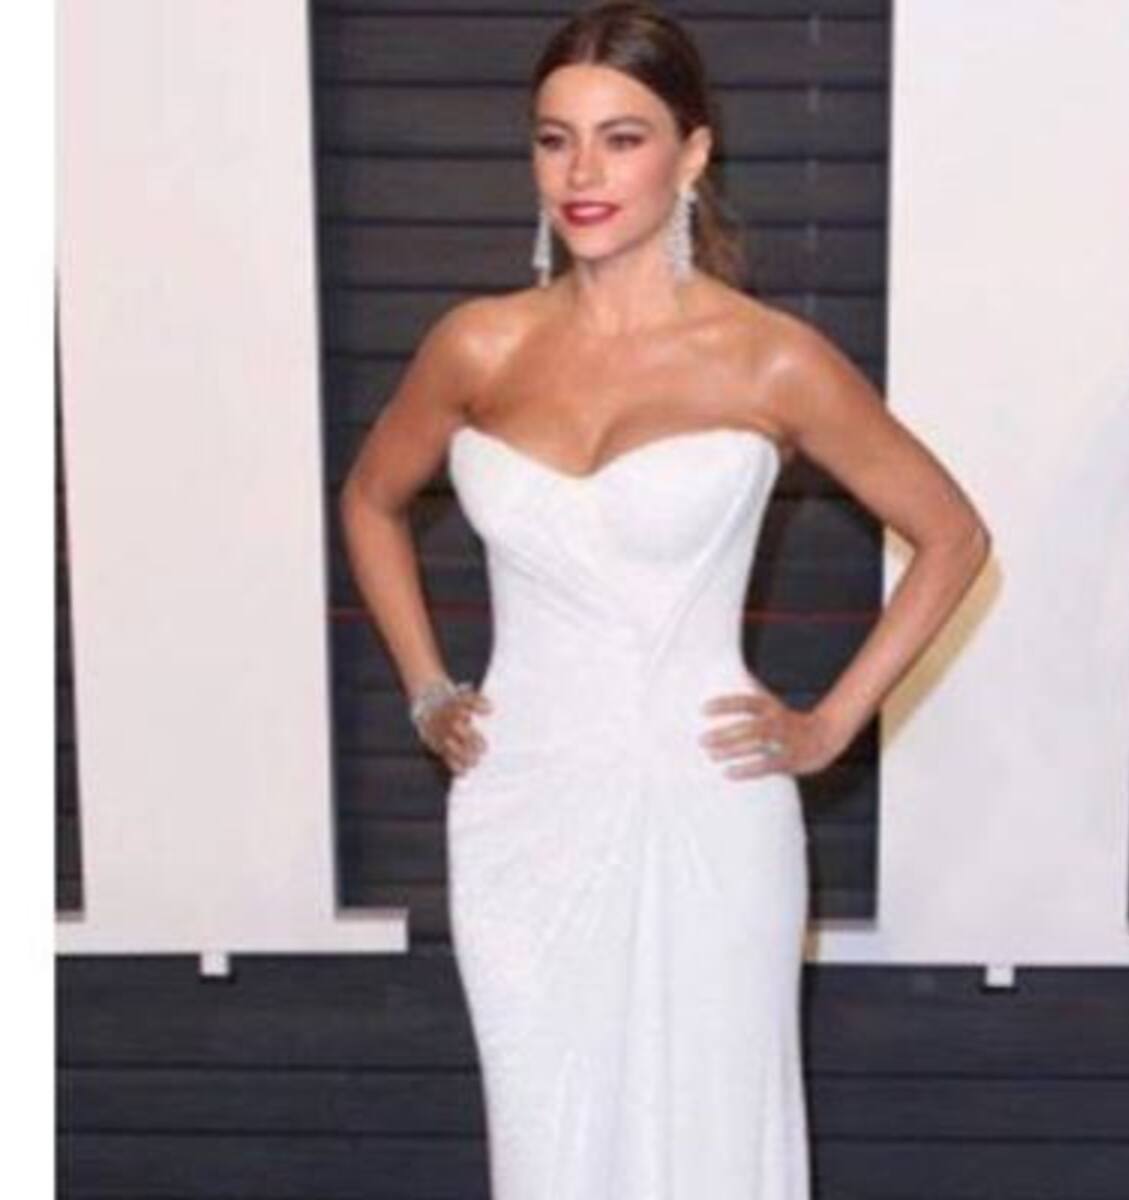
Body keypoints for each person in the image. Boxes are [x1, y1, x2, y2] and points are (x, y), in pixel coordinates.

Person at [339, 3, 991, 1196]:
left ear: (691, 155)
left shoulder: (769, 358)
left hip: (709, 803)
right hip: (523, 809)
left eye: (622, 138)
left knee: (711, 1132)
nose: (582, 173)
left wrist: (830, 726)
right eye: (555, 140)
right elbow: (370, 501)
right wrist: (429, 690)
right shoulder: (476, 347)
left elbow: (953, 535)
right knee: (546, 1141)